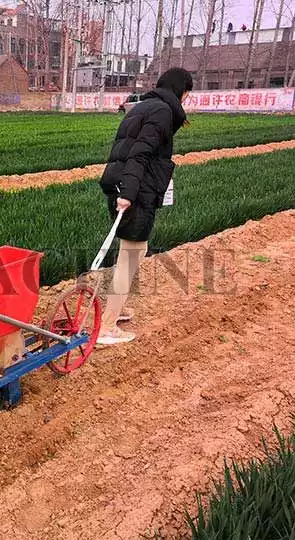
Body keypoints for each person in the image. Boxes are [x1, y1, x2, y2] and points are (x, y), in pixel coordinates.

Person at [97, 67, 193, 345]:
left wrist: (123, 188)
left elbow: (126, 149)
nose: (186, 99)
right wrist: (128, 193)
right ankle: (106, 326)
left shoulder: (143, 107)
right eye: (186, 93)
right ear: (180, 90)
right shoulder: (162, 112)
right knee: (133, 252)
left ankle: (116, 307)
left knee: (132, 249)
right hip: (135, 190)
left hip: (121, 183)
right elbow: (139, 153)